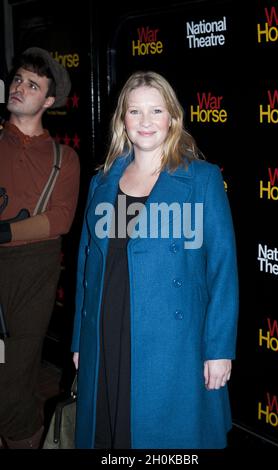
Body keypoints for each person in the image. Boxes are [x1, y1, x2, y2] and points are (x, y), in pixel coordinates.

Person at [72, 70, 238, 449]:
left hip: (173, 342)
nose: (145, 122)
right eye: (135, 112)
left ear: (172, 118)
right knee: (109, 433)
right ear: (122, 120)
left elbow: (223, 268)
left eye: (156, 111)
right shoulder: (103, 181)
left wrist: (219, 349)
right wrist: (81, 340)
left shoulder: (201, 179)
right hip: (107, 329)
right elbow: (87, 264)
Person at [0, 47, 80, 449]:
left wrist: (7, 234)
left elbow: (61, 219)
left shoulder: (63, 158)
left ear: (49, 101)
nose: (19, 88)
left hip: (32, 275)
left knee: (14, 379)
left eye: (33, 84)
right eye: (17, 79)